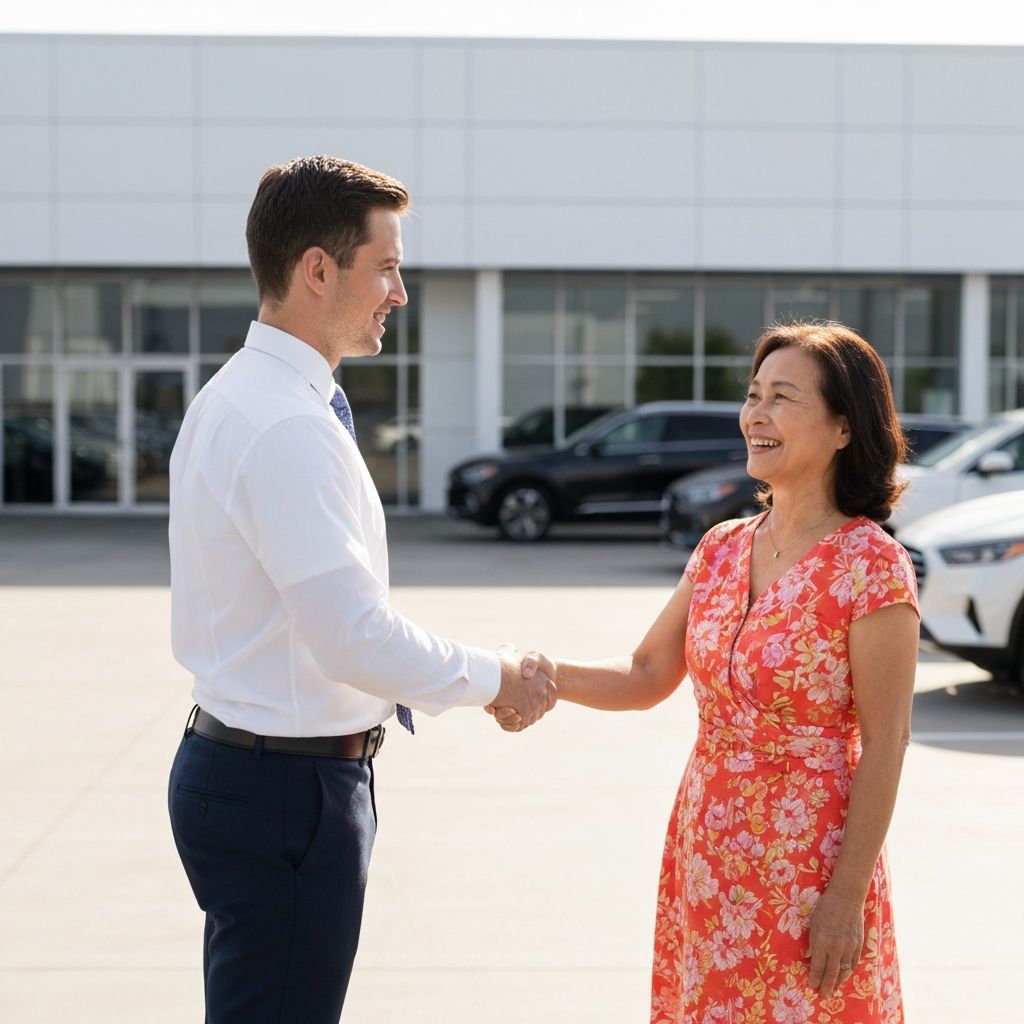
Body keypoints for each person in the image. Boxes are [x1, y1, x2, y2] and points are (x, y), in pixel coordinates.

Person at [167, 155, 555, 1024]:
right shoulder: (284, 426)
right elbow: (351, 635)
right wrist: (498, 677)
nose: (400, 292)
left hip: (251, 771)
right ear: (316, 270)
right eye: (386, 266)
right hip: (283, 793)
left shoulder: (244, 398)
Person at [505, 321, 919, 1022]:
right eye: (753, 394)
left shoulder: (871, 566)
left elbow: (887, 742)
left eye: (782, 397)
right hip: (709, 854)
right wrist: (538, 674)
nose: (755, 414)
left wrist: (846, 897)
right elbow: (643, 674)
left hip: (810, 869)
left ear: (845, 428)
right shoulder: (722, 547)